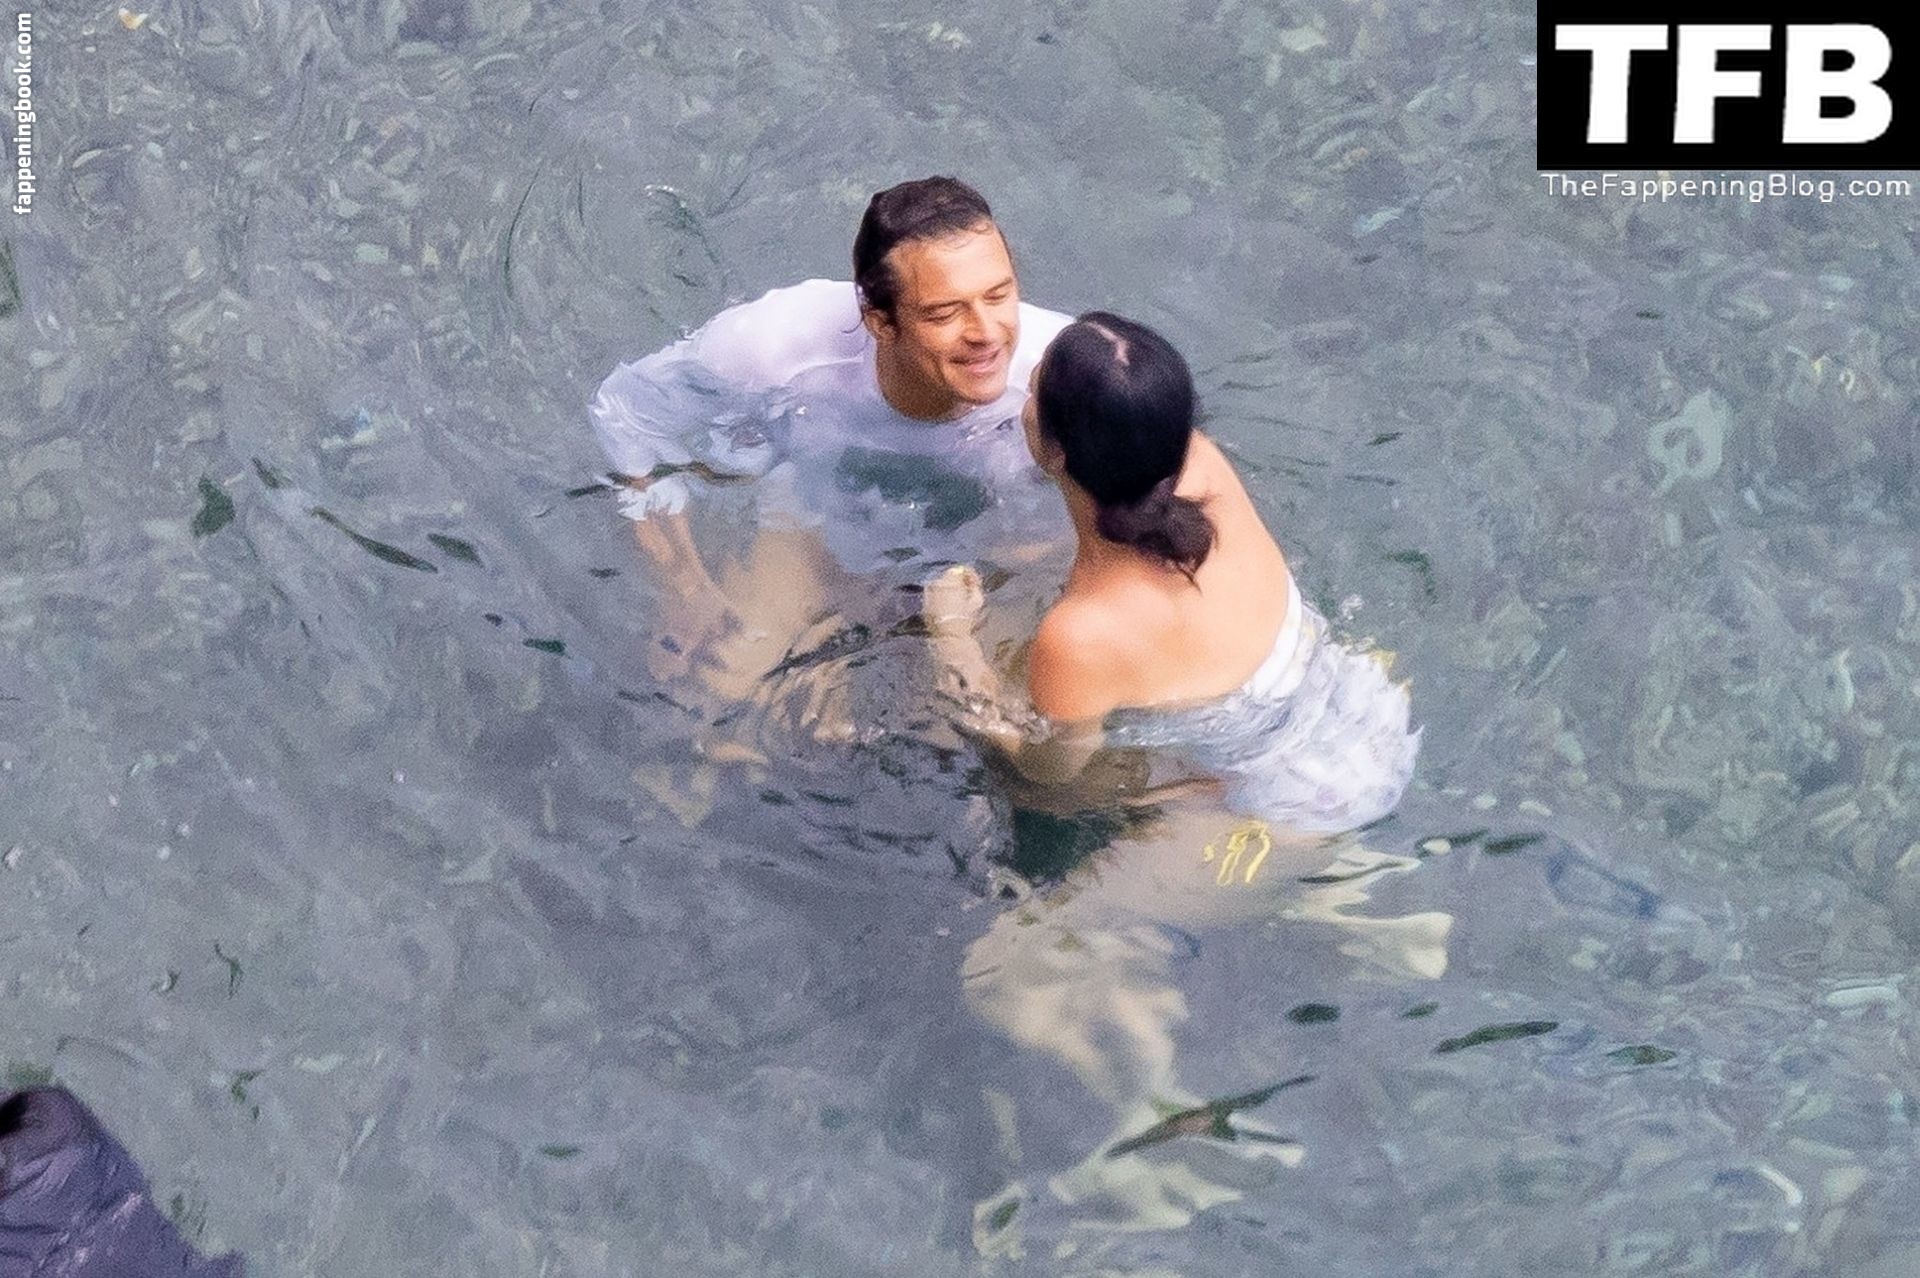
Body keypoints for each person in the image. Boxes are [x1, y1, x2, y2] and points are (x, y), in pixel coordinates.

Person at [924, 311, 1420, 833]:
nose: (1024, 394)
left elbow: (1046, 771)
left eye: (1032, 390)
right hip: (1368, 704)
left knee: (1021, 827)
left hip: (1299, 797)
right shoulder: (1203, 464)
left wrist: (952, 640)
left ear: (1055, 451)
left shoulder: (1081, 636)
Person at [589, 177, 1071, 705]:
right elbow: (625, 412)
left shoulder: (1065, 375)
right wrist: (684, 588)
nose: (988, 333)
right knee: (711, 695)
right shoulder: (777, 348)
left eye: (999, 296)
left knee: (1002, 714)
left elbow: (1140, 508)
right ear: (878, 321)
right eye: (944, 313)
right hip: (814, 533)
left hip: (984, 565)